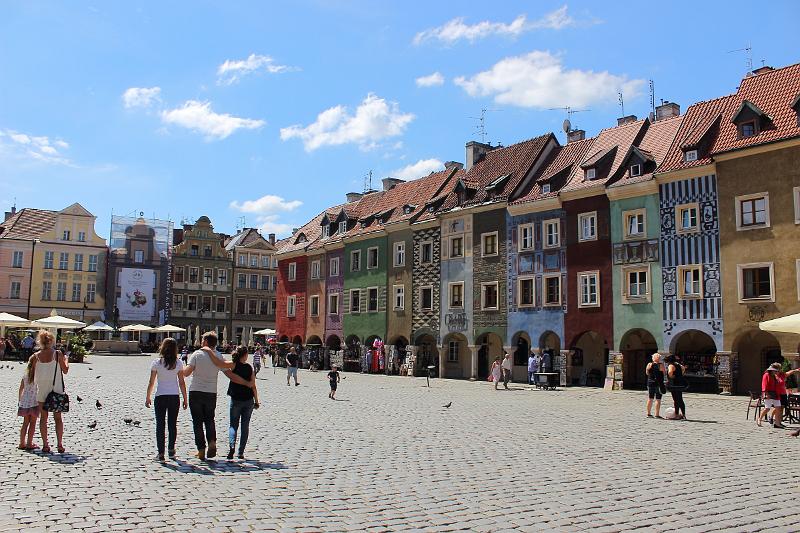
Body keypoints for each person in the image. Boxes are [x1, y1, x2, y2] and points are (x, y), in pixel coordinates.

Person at [182, 332, 254, 461]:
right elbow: (231, 376)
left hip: (196, 392)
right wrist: (247, 383)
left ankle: (201, 449)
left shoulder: (197, 355)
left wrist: (176, 368)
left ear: (205, 342)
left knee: (197, 422)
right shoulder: (218, 356)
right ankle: (212, 442)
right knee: (210, 419)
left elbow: (186, 373)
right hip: (211, 393)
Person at [145, 338, 188, 461]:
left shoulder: (157, 363)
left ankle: (161, 453)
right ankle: (171, 450)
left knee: (160, 425)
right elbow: (181, 382)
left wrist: (148, 396)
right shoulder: (178, 363)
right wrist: (185, 398)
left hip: (160, 396)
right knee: (172, 425)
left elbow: (151, 382)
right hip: (174, 396)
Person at [31, 330, 68, 453]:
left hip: (42, 389)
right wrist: (66, 360)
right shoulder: (57, 354)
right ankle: (60, 444)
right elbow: (65, 370)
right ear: (51, 341)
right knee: (58, 418)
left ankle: (45, 445)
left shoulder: (35, 357)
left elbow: (31, 375)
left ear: (40, 342)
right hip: (56, 389)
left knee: (43, 418)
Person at [227, 346, 260, 460]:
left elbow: (224, 366)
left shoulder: (234, 365)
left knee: (233, 426)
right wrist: (257, 401)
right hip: (248, 401)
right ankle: (240, 452)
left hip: (236, 400)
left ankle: (232, 447)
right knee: (245, 427)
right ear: (245, 355)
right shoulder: (249, 368)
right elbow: (253, 386)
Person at [758, 362, 800, 429]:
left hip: (780, 394)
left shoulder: (781, 375)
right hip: (774, 393)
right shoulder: (770, 375)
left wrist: (796, 370)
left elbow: (789, 372)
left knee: (780, 408)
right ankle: (764, 419)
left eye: (779, 369)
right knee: (769, 408)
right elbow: (765, 385)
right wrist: (765, 393)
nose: (779, 370)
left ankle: (778, 423)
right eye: (778, 369)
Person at [18, 357, 39, 450]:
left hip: (25, 402)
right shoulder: (38, 375)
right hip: (34, 401)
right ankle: (29, 443)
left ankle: (22, 443)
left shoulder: (25, 375)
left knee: (25, 423)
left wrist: (20, 400)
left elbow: (21, 388)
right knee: (33, 423)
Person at [664, 355, 687, 421]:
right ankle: (683, 414)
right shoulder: (678, 365)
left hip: (674, 384)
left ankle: (676, 414)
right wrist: (680, 375)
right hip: (679, 383)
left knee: (676, 400)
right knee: (680, 399)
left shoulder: (671, 365)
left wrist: (672, 376)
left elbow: (670, 372)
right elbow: (683, 368)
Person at [646, 353, 665, 419]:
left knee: (650, 398)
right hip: (658, 383)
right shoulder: (661, 365)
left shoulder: (649, 364)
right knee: (658, 398)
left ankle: (648, 413)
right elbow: (664, 373)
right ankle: (657, 414)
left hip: (650, 382)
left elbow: (647, 373)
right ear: (659, 358)